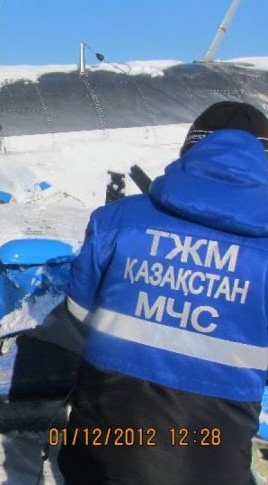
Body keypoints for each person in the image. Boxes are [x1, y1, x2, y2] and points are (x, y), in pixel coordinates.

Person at [57, 101, 268, 485]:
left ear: (190, 148)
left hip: (101, 444)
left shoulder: (117, 220)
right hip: (213, 458)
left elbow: (77, 310)